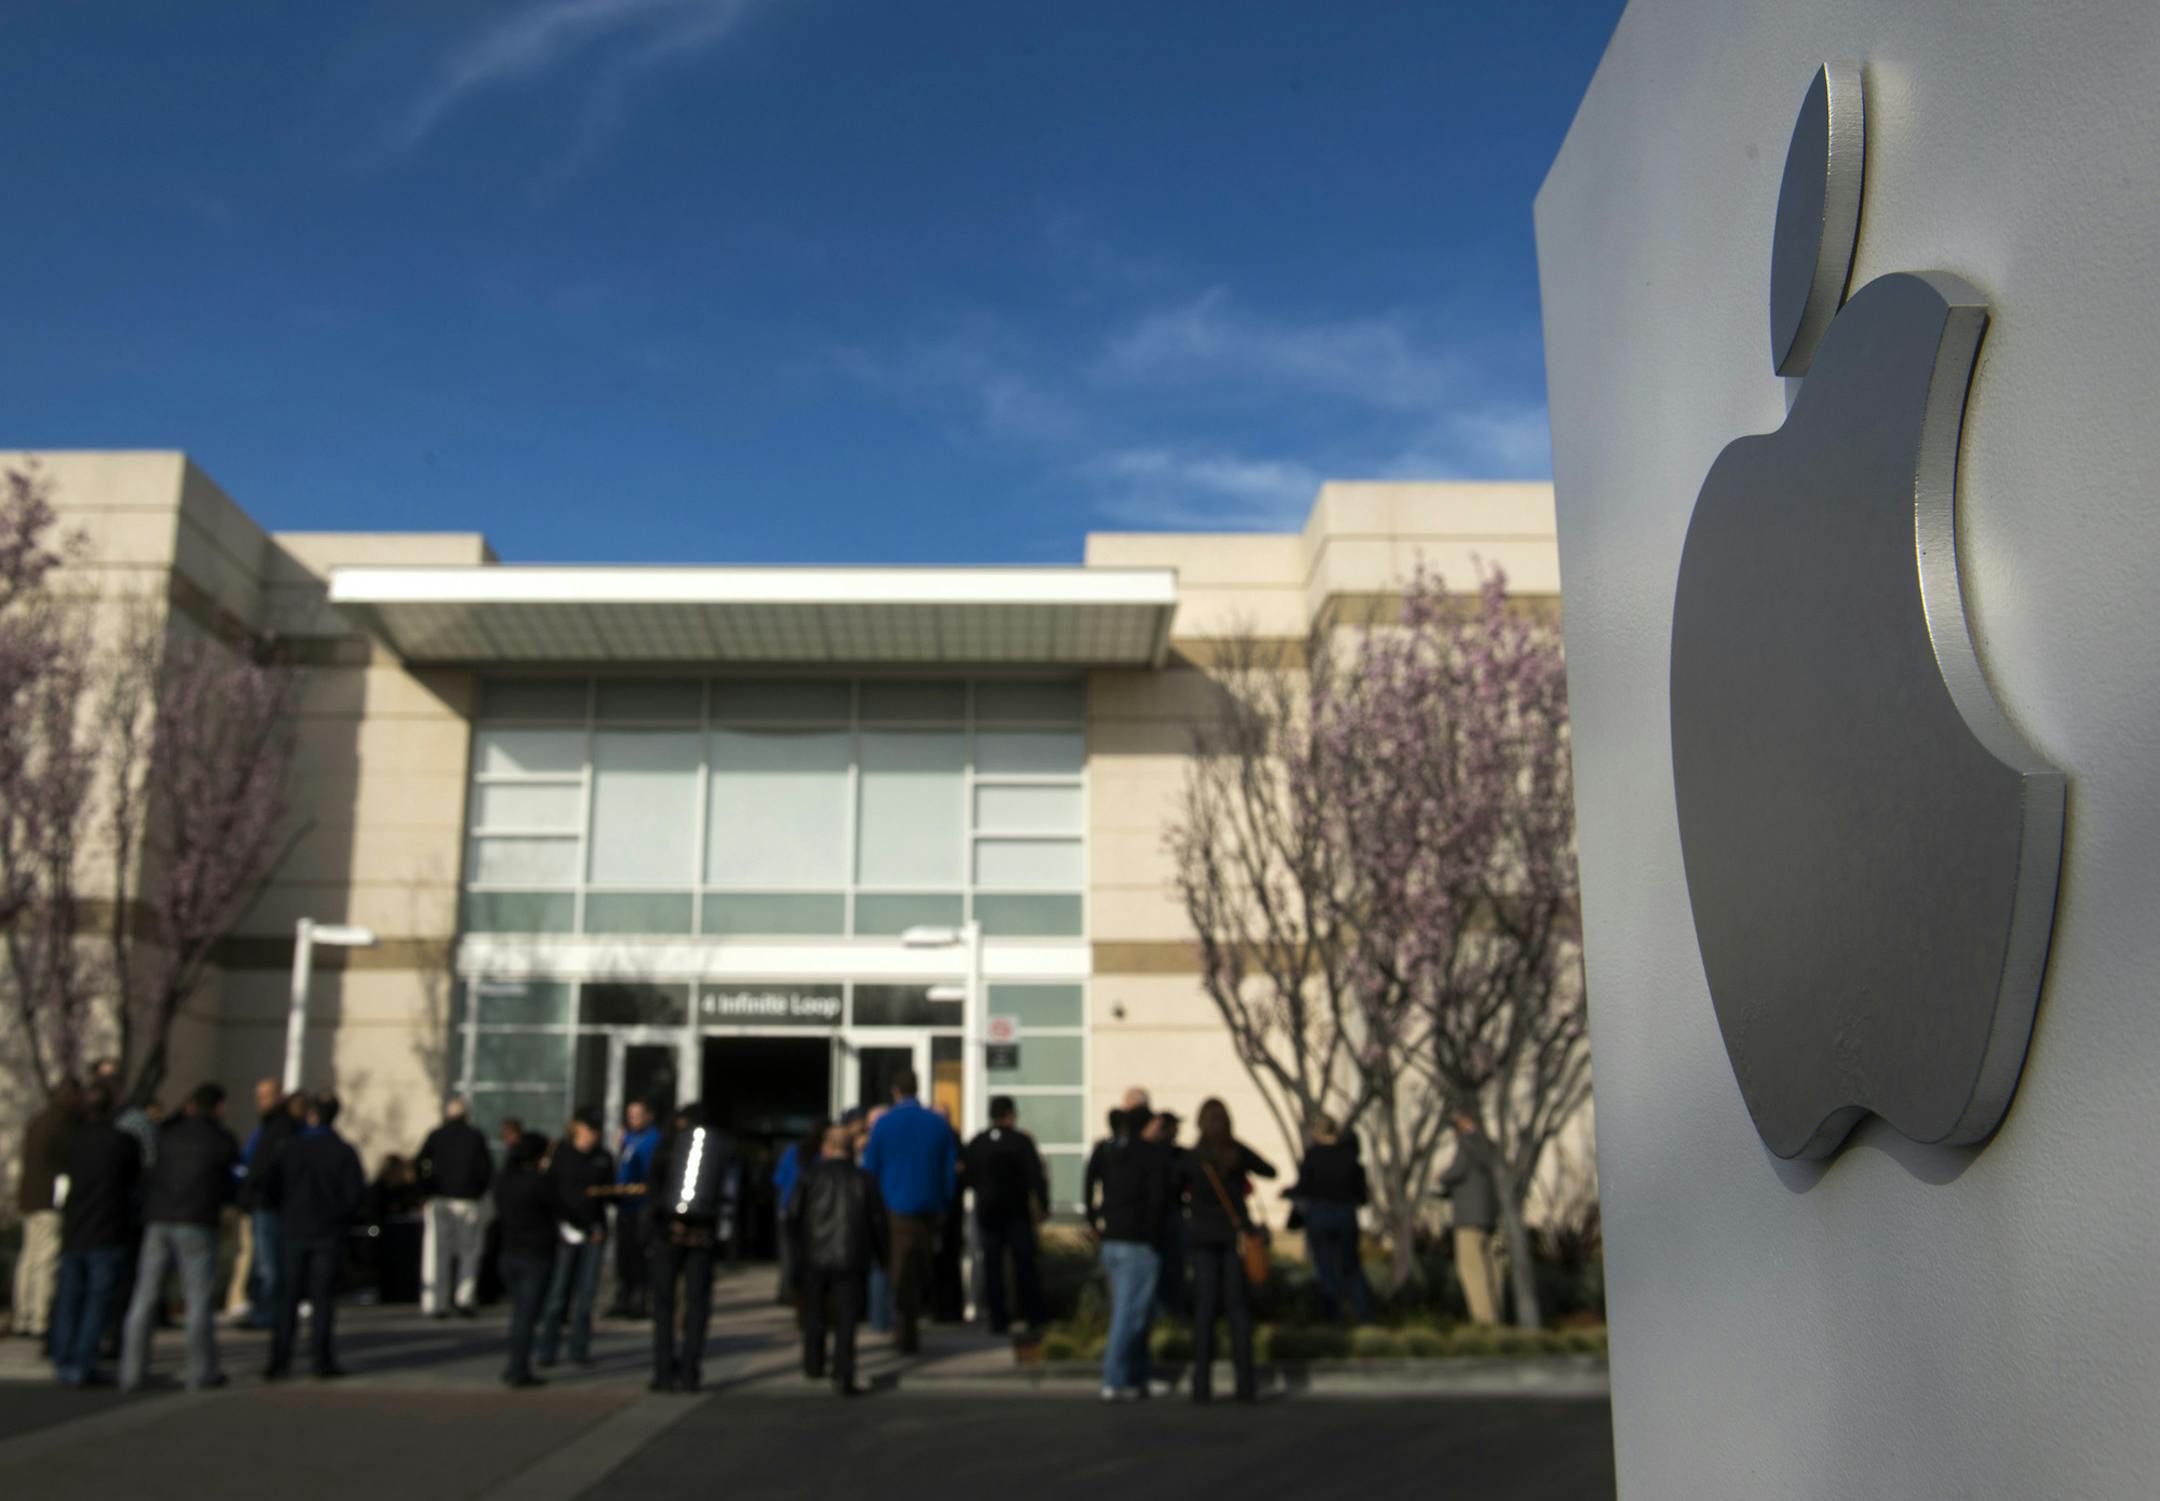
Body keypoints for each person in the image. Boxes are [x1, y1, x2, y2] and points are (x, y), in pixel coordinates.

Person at [120, 1083, 239, 1391]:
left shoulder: (167, 1134)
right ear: (218, 1108)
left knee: (145, 1296)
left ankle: (131, 1371)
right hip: (196, 1219)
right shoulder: (218, 1138)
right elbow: (231, 1175)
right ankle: (199, 1371)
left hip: (159, 1216)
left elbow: (150, 1170)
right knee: (197, 1298)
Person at [1177, 1097, 1276, 1404]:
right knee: (1238, 1310)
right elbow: (1270, 1170)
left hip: (1203, 1237)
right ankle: (1245, 1383)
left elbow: (1174, 1187)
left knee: (1204, 1311)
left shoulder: (1193, 1157)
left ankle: (1201, 1384)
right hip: (1235, 1237)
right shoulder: (1237, 1153)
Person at [262, 1091, 365, 1381]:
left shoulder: (290, 1148)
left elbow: (271, 1187)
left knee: (288, 1297)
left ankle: (279, 1360)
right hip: (327, 1230)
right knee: (322, 1299)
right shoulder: (342, 1151)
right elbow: (354, 1195)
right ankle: (322, 1360)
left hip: (294, 1228)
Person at [49, 1085, 140, 1385]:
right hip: (106, 1229)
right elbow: (133, 1182)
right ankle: (83, 1360)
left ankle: (64, 1357)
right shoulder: (122, 1143)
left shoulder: (73, 1141)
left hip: (76, 1229)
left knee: (69, 1299)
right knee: (96, 1301)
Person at [859, 1071, 955, 1355]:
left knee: (897, 1271)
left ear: (895, 1091)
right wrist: (943, 1205)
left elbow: (870, 1170)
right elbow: (948, 1172)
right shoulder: (937, 1124)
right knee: (918, 1269)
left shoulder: (884, 1124)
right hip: (929, 1207)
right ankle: (908, 1325)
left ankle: (899, 1327)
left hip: (894, 1208)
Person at [787, 1121, 886, 1397]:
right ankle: (843, 1370)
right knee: (846, 1318)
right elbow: (877, 1221)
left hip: (816, 1255)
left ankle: (813, 1363)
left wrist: (797, 1250)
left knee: (815, 1312)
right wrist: (881, 1255)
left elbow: (792, 1216)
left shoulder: (810, 1175)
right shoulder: (863, 1179)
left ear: (827, 1147)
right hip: (850, 1256)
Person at [646, 1104, 739, 1393]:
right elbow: (732, 1193)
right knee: (697, 1303)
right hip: (703, 1232)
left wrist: (657, 1225)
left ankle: (663, 1371)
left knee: (664, 1304)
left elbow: (654, 1187)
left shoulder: (670, 1144)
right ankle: (690, 1371)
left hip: (668, 1231)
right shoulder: (724, 1147)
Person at [1090, 1106, 1167, 1401]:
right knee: (1129, 1313)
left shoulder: (1110, 1151)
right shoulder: (1150, 1155)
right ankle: (1115, 1377)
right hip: (1137, 1242)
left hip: (1112, 1239)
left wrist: (1093, 1220)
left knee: (1135, 1312)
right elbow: (1157, 1200)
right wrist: (1154, 1237)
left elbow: (1093, 1183)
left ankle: (1135, 1377)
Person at [964, 1096, 1049, 1336]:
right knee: (1025, 1266)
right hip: (1016, 1213)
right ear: (1010, 1115)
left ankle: (998, 1319)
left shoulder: (978, 1143)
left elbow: (967, 1177)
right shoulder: (1021, 1142)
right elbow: (1036, 1176)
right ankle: (1034, 1316)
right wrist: (1043, 1205)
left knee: (993, 1267)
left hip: (988, 1213)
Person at [537, 1108, 613, 1368]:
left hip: (592, 1232)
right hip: (565, 1231)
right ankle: (547, 1349)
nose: (592, 1136)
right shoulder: (561, 1154)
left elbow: (608, 1193)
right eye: (588, 1130)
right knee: (558, 1294)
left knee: (587, 1295)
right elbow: (549, 1192)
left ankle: (578, 1348)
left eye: (596, 1131)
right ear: (577, 1129)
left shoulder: (603, 1157)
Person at [1289, 1113, 1376, 1326]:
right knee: (1351, 1267)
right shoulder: (1350, 1158)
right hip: (1345, 1215)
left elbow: (1304, 1188)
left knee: (1325, 1269)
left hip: (1319, 1215)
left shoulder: (1312, 1156)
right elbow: (1362, 1196)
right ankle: (1365, 1317)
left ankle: (1334, 1319)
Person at [11, 1076, 79, 1345]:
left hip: (30, 1198)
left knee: (29, 1257)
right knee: (45, 1259)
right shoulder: (64, 1124)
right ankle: (39, 1317)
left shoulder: (37, 1121)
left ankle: (23, 1315)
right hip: (49, 1200)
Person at [415, 1098, 493, 1320]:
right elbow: (485, 1169)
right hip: (468, 1200)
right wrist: (477, 1191)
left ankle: (435, 1302)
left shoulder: (437, 1136)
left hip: (440, 1199)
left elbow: (420, 1162)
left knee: (436, 1252)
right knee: (469, 1251)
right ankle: (464, 1298)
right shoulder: (475, 1136)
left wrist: (426, 1189)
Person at [235, 1082, 301, 1329]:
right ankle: (262, 1308)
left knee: (267, 1264)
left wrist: (250, 1191)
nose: (260, 1101)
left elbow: (263, 1167)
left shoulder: (280, 1128)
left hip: (268, 1202)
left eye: (265, 1096)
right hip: (262, 1201)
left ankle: (267, 1313)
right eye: (258, 1096)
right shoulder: (268, 1127)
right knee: (261, 1262)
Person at [494, 1132, 555, 1388]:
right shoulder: (537, 1182)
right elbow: (556, 1208)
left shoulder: (504, 1180)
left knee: (520, 1313)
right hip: (533, 1253)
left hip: (510, 1252)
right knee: (526, 1316)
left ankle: (515, 1365)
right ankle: (519, 1368)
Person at [1436, 1112, 1502, 1327]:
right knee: (1493, 1269)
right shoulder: (1490, 1145)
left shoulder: (1468, 1144)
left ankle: (1484, 1320)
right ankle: (1496, 1314)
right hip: (1490, 1215)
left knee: (1471, 1269)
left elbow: (1456, 1172)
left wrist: (1439, 1179)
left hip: (1468, 1218)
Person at [610, 1100, 661, 1319]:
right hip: (626, 1203)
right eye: (630, 1115)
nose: (633, 1119)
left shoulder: (653, 1139)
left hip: (642, 1203)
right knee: (624, 1252)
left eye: (637, 1115)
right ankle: (624, 1295)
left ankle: (639, 1297)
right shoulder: (628, 1139)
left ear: (648, 1116)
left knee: (640, 1252)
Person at [1146, 1110, 1190, 1320]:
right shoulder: (1174, 1155)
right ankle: (1173, 1312)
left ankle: (1164, 1313)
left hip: (1157, 1216)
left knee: (1161, 1269)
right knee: (1173, 1268)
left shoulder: (1149, 1152)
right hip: (1170, 1214)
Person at [931, 1102, 967, 1324]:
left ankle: (950, 1308)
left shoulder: (950, 1138)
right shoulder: (936, 1138)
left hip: (948, 1210)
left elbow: (960, 1172)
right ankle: (940, 1308)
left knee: (948, 1259)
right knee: (939, 1261)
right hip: (937, 1207)